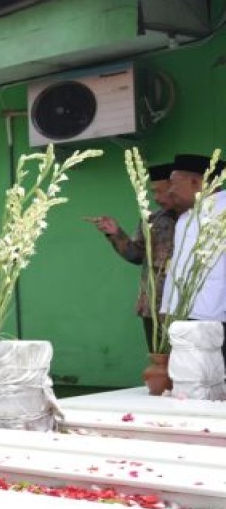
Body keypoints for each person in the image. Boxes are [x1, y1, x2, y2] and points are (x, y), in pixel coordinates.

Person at [87, 162, 178, 349]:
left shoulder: (201, 218)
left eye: (163, 191)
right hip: (153, 305)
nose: (157, 198)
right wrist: (115, 233)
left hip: (186, 307)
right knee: (159, 361)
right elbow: (136, 255)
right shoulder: (152, 219)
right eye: (154, 192)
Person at [161, 153, 226, 361]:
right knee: (193, 380)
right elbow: (178, 267)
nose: (170, 191)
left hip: (217, 318)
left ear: (195, 182)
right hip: (186, 317)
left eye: (173, 184)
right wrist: (167, 308)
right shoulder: (186, 218)